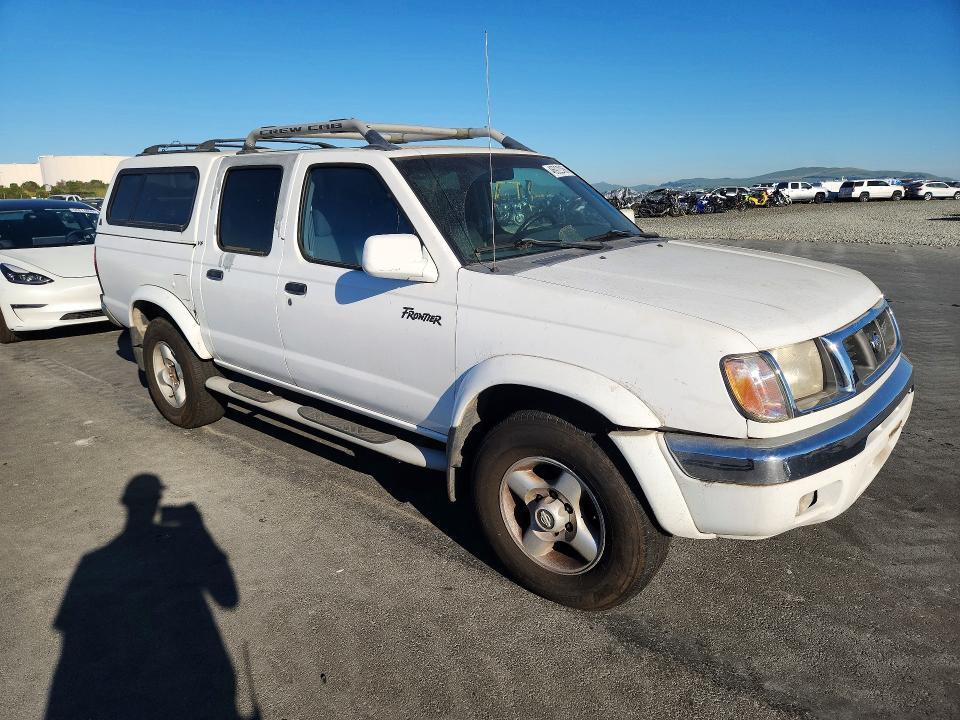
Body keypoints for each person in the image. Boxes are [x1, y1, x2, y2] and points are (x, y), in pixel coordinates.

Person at [45, 474, 241, 720]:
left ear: (126, 502)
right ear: (157, 500)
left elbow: (73, 639)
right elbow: (228, 598)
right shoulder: (178, 548)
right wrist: (199, 530)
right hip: (183, 678)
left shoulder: (92, 562)